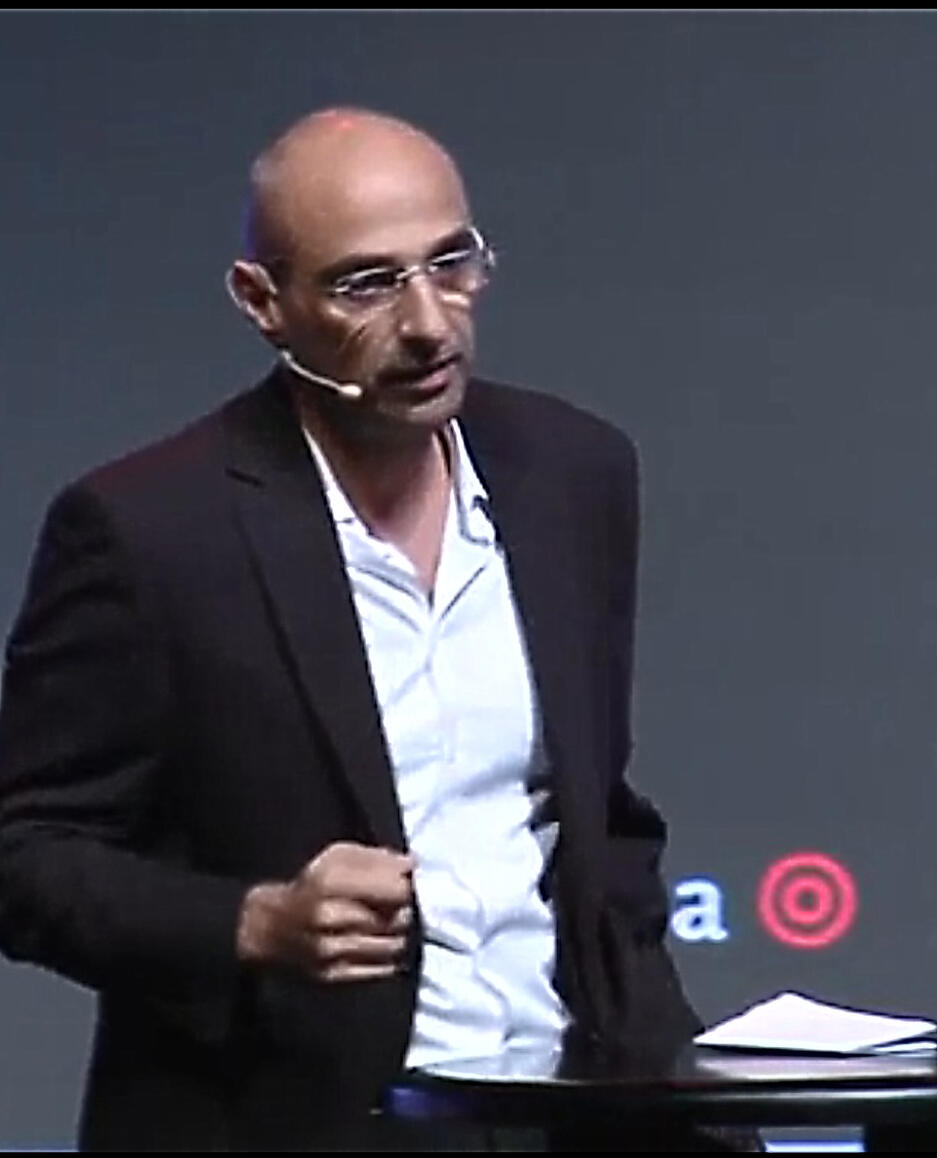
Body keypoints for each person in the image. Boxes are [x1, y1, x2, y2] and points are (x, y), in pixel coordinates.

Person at [0, 107, 712, 1151]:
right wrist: (254, 921)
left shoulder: (573, 472)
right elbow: (24, 854)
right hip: (299, 1122)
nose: (429, 323)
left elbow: (596, 819)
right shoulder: (149, 531)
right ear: (262, 301)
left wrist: (668, 1069)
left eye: (451, 264)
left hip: (572, 1113)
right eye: (366, 284)